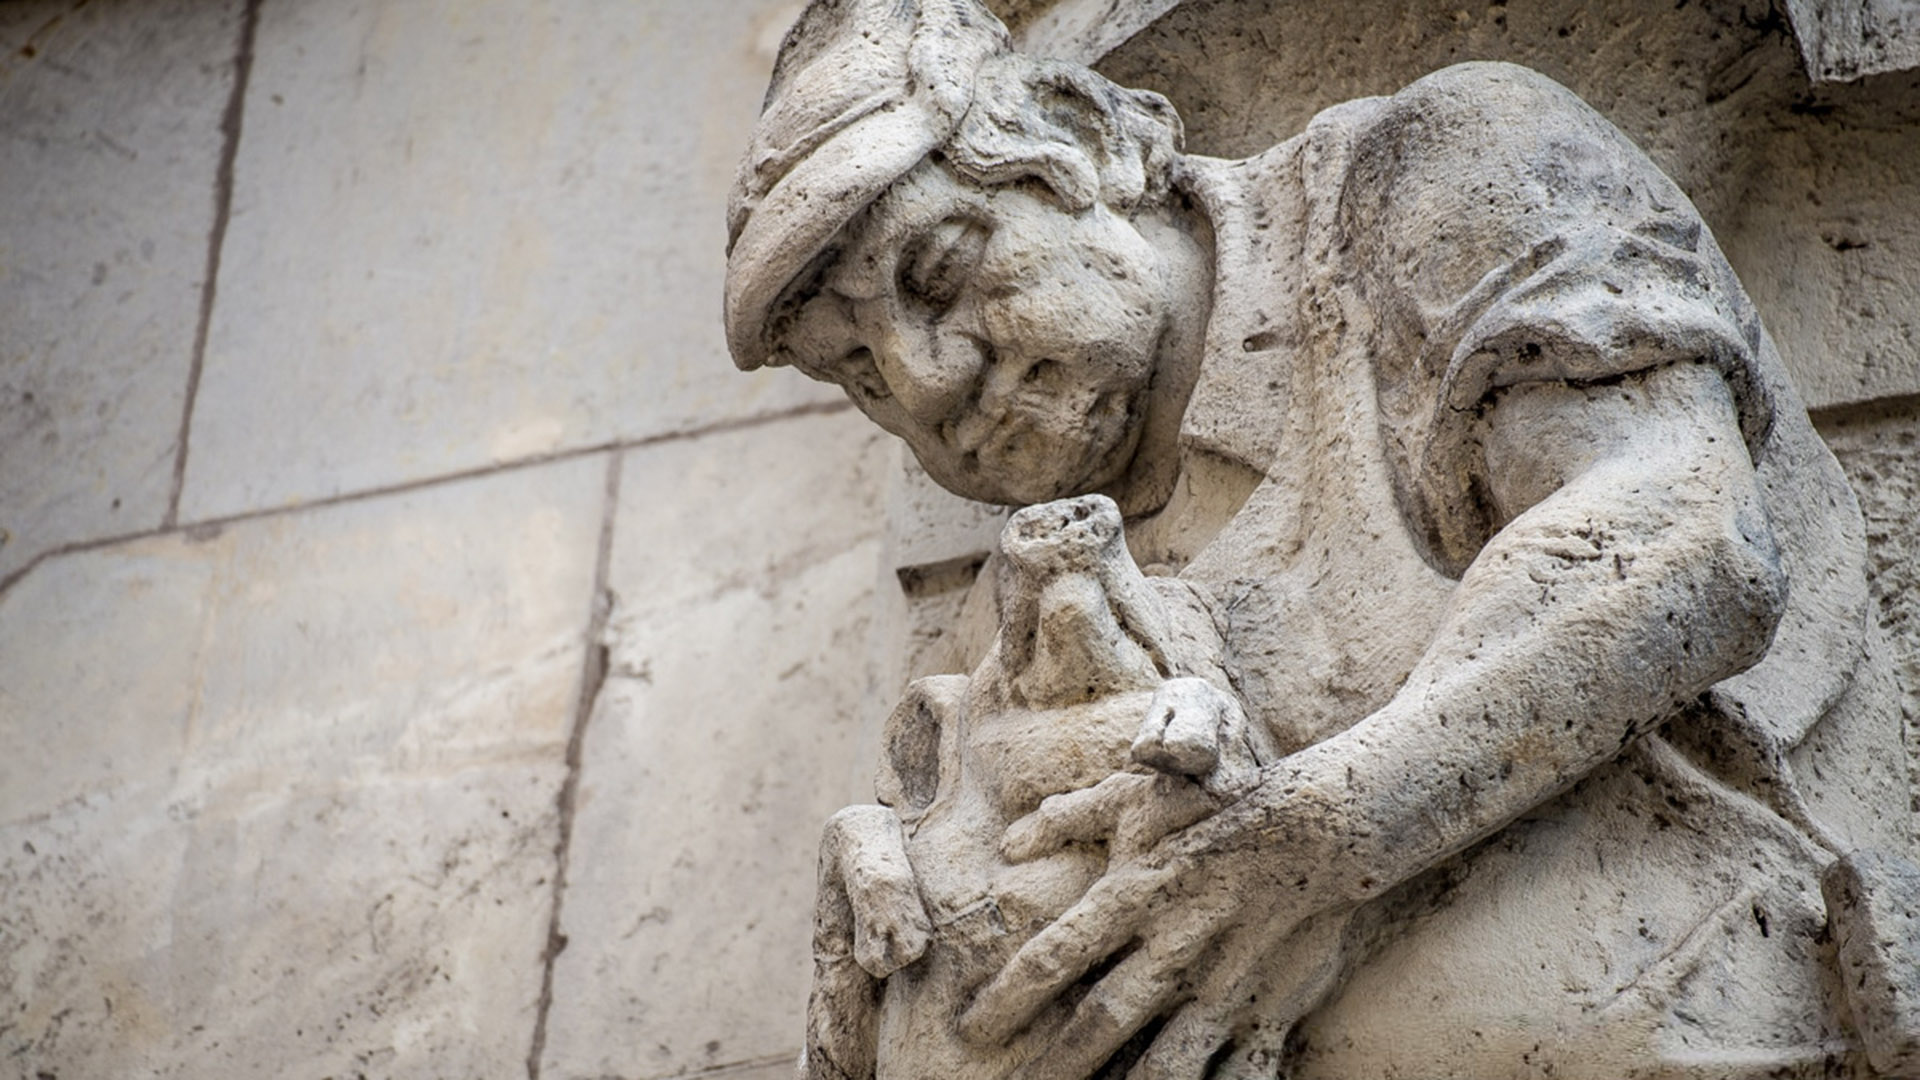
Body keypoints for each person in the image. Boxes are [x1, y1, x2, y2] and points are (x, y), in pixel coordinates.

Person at [722, 1, 1919, 1076]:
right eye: (857, 375)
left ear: (1089, 137)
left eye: (940, 270)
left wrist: (1316, 841)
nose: (925, 384)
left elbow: (1686, 537)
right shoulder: (1041, 603)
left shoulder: (1443, 172)